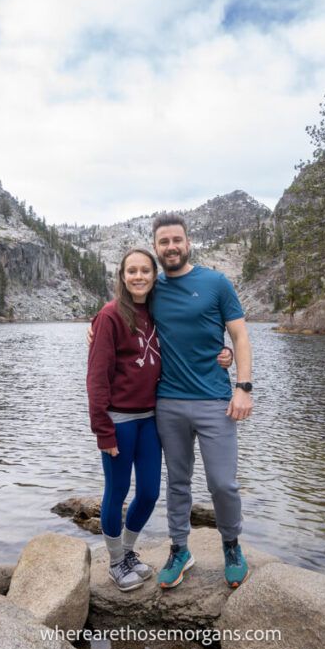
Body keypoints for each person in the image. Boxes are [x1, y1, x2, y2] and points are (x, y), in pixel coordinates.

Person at [86, 247, 233, 592]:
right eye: (131, 271)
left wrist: (223, 353)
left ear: (154, 277)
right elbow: (96, 379)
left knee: (150, 491)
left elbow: (190, 341)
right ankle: (114, 563)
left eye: (145, 271)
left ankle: (128, 552)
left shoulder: (154, 313)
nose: (138, 277)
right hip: (119, 422)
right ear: (122, 277)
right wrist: (103, 431)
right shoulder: (109, 316)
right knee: (117, 491)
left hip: (150, 418)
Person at [148, 212, 254, 590]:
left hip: (214, 401)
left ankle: (231, 545)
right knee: (177, 482)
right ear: (156, 247)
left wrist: (243, 386)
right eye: (164, 242)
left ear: (188, 242)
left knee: (223, 483)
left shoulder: (215, 283)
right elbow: (121, 315)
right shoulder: (152, 289)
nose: (171, 247)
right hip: (168, 403)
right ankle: (179, 549)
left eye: (177, 240)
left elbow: (239, 337)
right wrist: (95, 328)